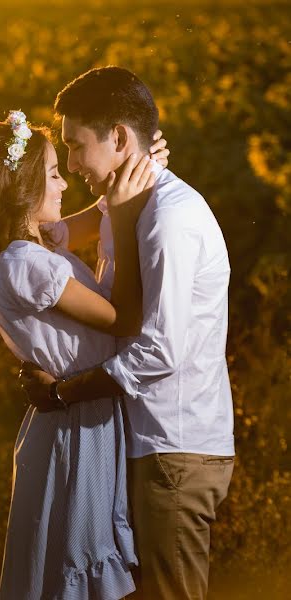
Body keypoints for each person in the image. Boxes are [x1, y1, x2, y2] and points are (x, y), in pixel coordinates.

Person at [0, 109, 166, 598]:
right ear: (20, 190)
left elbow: (83, 221)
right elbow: (123, 319)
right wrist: (123, 216)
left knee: (78, 563)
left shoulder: (27, 249)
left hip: (82, 419)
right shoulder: (27, 264)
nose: (65, 185)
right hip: (76, 429)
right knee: (78, 565)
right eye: (55, 175)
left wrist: (133, 172)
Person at [21, 66, 235, 599]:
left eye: (76, 146)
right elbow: (65, 231)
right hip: (147, 441)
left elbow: (159, 350)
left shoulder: (168, 218)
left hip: (174, 448)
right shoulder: (126, 206)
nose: (70, 164)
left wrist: (63, 392)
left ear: (118, 138)